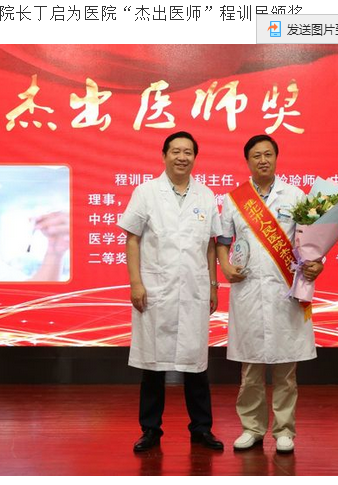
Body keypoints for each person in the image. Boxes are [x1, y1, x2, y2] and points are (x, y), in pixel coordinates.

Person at [216, 134, 324, 454]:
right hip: (248, 289)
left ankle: (284, 430)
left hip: (284, 291)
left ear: (276, 158)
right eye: (256, 156)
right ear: (247, 161)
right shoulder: (234, 199)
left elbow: (312, 241)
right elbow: (223, 241)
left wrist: (317, 264)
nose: (262, 160)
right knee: (250, 370)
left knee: (285, 369)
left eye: (268, 154)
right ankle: (251, 428)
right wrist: (225, 266)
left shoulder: (296, 195)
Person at [118, 131, 224, 453]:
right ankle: (150, 430)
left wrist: (213, 284)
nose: (182, 157)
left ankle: (201, 429)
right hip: (156, 288)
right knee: (153, 365)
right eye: (175, 151)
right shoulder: (146, 192)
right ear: (164, 155)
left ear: (195, 157)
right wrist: (136, 282)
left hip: (194, 288)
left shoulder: (206, 195)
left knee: (196, 364)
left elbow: (210, 244)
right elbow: (132, 238)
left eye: (188, 152)